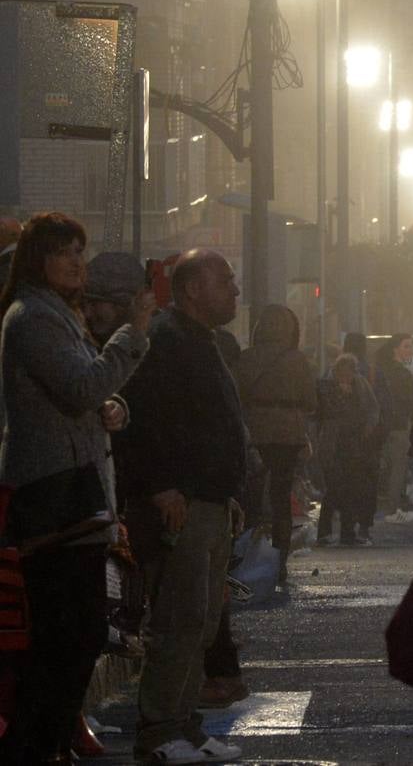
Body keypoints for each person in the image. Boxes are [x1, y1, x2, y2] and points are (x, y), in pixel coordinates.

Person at [0, 213, 153, 766]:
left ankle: (45, 744)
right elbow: (82, 385)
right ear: (37, 259)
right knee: (68, 637)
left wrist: (114, 406)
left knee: (80, 634)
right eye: (64, 252)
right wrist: (131, 334)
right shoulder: (32, 318)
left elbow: (89, 390)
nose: (76, 263)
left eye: (80, 252)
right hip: (54, 499)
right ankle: (30, 748)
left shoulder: (58, 315)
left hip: (77, 495)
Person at [119, 249, 248, 765]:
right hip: (180, 504)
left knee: (201, 622)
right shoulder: (165, 340)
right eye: (227, 280)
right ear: (193, 288)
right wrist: (161, 487)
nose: (236, 291)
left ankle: (185, 725)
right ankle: (159, 732)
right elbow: (142, 420)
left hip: (210, 502)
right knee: (177, 620)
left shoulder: (202, 341)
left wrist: (227, 492)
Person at [235, 304, 317, 582]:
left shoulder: (246, 358)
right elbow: (311, 401)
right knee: (281, 497)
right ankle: (279, 560)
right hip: (287, 434)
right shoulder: (298, 360)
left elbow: (235, 394)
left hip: (254, 430)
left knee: (251, 496)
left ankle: (246, 555)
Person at [315, 354, 380, 546]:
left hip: (354, 444)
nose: (346, 378)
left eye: (349, 374)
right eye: (342, 374)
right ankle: (324, 533)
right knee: (334, 489)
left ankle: (347, 533)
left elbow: (372, 408)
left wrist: (369, 426)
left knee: (352, 489)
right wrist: (340, 395)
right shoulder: (326, 386)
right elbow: (321, 413)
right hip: (332, 445)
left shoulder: (360, 385)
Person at [341, 333, 391, 542]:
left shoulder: (334, 371)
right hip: (369, 437)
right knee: (369, 482)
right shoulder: (374, 372)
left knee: (347, 481)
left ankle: (347, 525)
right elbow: (386, 404)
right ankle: (364, 525)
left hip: (344, 437)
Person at [376, 333, 413, 519]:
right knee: (398, 469)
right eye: (407, 346)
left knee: (383, 466)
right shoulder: (402, 373)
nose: (411, 350)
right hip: (399, 426)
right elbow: (412, 401)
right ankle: (392, 509)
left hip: (380, 425)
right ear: (396, 349)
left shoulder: (379, 371)